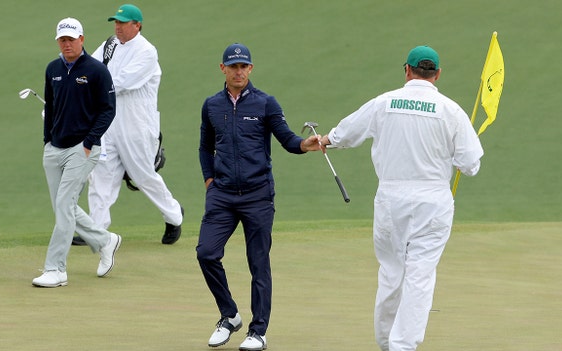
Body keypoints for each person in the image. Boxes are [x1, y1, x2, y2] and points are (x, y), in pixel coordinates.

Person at [320, 45, 484, 350]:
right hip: (434, 201)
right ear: (437, 74)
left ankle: (386, 342)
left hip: (391, 200)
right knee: (420, 275)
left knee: (392, 272)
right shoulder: (452, 110)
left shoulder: (385, 102)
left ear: (407, 70)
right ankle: (402, 345)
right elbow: (471, 165)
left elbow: (345, 134)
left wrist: (324, 140)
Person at [196, 43, 322, 351]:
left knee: (258, 263)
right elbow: (204, 146)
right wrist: (209, 180)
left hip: (258, 195)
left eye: (244, 66)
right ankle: (229, 316)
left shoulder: (265, 103)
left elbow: (287, 139)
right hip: (222, 194)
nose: (239, 71)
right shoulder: (211, 105)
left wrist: (306, 145)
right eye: (233, 66)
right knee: (206, 253)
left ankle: (258, 331)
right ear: (223, 69)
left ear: (250, 69)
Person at [82, 4, 183, 245]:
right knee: (101, 176)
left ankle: (174, 216)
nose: (117, 27)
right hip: (108, 124)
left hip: (137, 125)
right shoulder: (109, 45)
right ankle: (96, 231)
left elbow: (120, 82)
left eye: (123, 23)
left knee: (142, 176)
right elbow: (89, 67)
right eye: (116, 22)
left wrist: (87, 86)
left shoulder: (147, 51)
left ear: (137, 25)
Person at [33, 17, 121, 288]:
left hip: (82, 148)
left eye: (71, 39)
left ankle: (56, 268)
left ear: (82, 39)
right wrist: (47, 140)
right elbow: (52, 108)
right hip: (54, 147)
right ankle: (105, 240)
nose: (67, 44)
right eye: (62, 40)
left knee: (63, 205)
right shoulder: (53, 69)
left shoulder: (96, 71)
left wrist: (90, 140)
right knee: (64, 206)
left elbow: (108, 109)